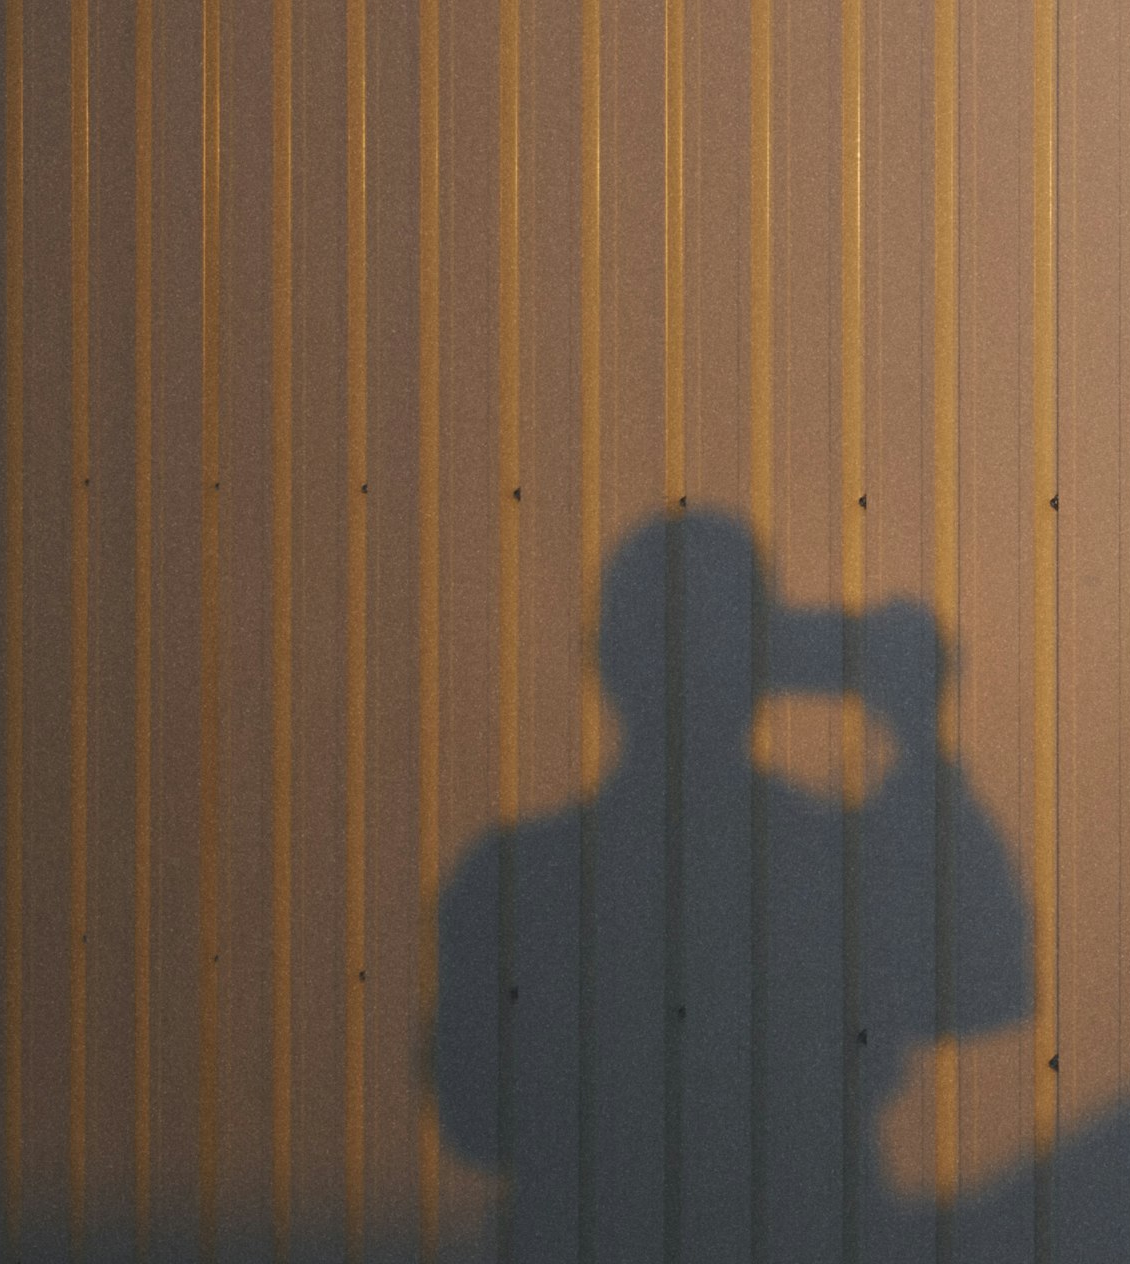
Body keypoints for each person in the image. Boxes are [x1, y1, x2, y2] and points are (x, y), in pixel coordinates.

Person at [429, 511, 1031, 1250]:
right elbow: (984, 987)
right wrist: (914, 739)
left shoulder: (524, 879)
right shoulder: (822, 866)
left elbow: (473, 1114)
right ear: (768, 661)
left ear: (605, 659)